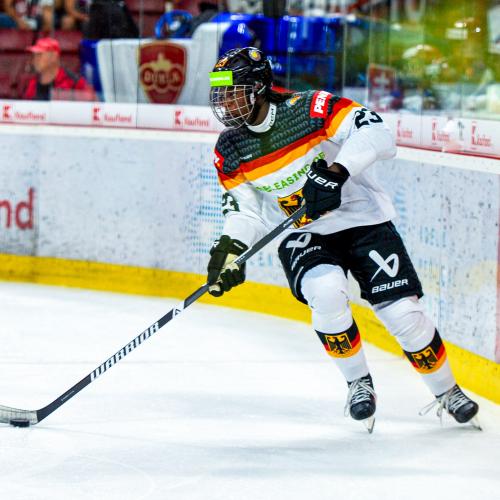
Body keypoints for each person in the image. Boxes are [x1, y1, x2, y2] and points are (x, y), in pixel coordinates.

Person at [205, 46, 480, 431]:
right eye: (221, 95)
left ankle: (447, 391)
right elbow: (246, 211)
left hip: (363, 220)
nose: (226, 103)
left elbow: (378, 134)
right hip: (305, 233)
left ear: (261, 87)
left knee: (404, 315)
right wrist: (229, 251)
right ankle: (357, 383)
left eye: (234, 92)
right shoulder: (230, 148)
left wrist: (337, 171)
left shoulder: (311, 108)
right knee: (326, 293)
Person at [23, 37, 94, 101]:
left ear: (53, 56)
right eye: (34, 55)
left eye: (39, 55)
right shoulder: (32, 84)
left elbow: (93, 105)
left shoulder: (73, 82)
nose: (35, 59)